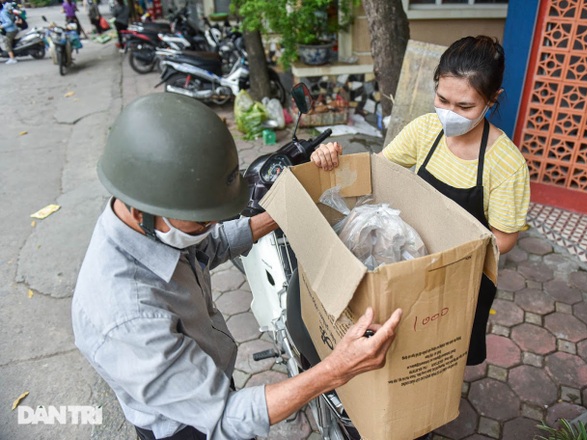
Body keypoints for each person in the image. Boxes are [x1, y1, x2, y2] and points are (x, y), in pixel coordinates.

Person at [72, 93, 403, 440]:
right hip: (188, 426)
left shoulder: (148, 217)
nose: (211, 227)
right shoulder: (129, 317)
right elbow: (224, 417)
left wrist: (284, 213)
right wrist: (337, 368)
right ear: (142, 215)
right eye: (201, 222)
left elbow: (209, 246)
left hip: (207, 372)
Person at [311, 35, 531, 366]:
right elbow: (379, 174)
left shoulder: (506, 163)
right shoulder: (425, 130)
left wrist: (448, 242)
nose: (450, 113)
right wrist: (333, 161)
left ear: (492, 100)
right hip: (410, 264)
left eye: (465, 106)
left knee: (443, 356)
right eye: (442, 99)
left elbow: (505, 238)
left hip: (460, 278)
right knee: (402, 352)